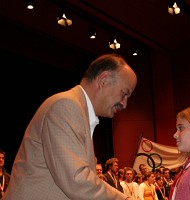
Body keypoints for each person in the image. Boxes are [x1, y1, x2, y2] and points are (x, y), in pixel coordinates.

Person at [2, 53, 137, 200]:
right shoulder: (66, 106)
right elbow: (77, 181)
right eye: (124, 94)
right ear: (103, 80)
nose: (124, 104)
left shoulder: (77, 111)